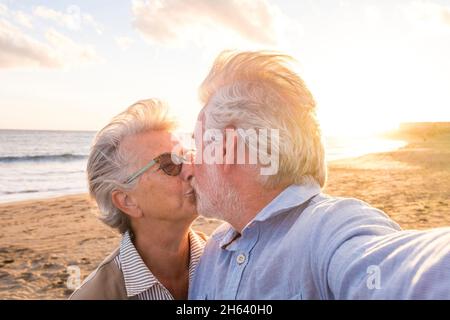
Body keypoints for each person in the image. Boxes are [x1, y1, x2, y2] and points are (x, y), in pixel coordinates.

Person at [188, 51, 450, 299]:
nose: (190, 165)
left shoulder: (330, 228)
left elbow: (401, 272)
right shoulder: (211, 252)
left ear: (225, 149)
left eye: (197, 146)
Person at [70, 99, 204, 300]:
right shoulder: (95, 296)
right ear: (127, 201)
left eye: (187, 156)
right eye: (169, 164)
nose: (191, 169)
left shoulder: (229, 260)